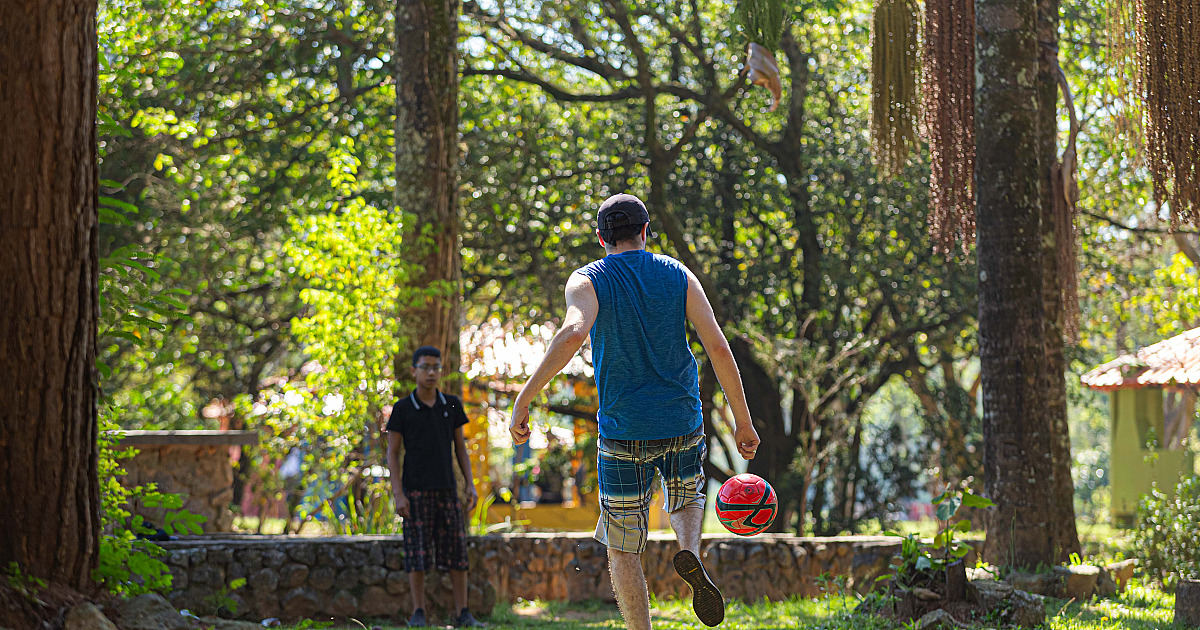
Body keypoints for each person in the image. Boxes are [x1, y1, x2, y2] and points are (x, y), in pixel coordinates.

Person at [509, 193, 761, 629]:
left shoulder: (588, 280)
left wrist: (524, 397)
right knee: (686, 495)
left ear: (601, 237)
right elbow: (718, 346)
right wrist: (743, 421)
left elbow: (572, 333)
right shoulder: (678, 274)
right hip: (681, 419)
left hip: (623, 430)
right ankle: (689, 549)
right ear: (646, 232)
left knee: (623, 547)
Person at [386, 345, 485, 628]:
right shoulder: (403, 408)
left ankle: (463, 612)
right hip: (414, 492)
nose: (431, 372)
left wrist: (470, 485)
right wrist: (398, 494)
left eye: (436, 367)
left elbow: (460, 448)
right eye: (426, 367)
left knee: (457, 551)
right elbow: (392, 453)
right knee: (417, 553)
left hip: (447, 490)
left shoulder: (451, 404)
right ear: (414, 370)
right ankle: (419, 612)